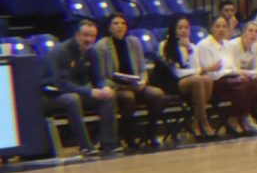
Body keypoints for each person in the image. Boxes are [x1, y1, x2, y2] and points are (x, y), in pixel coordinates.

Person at [41, 20, 120, 156]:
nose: (88, 39)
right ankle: (85, 146)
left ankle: (108, 143)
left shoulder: (92, 52)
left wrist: (104, 87)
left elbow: (98, 77)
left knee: (108, 97)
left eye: (92, 36)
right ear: (77, 35)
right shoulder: (61, 51)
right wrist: (89, 92)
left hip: (77, 91)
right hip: (51, 95)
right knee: (72, 99)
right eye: (85, 35)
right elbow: (62, 83)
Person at [96, 14, 167, 150]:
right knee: (128, 97)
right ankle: (129, 136)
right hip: (116, 86)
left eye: (123, 23)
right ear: (109, 27)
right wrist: (118, 85)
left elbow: (142, 69)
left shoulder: (134, 42)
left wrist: (143, 81)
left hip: (134, 84)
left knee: (158, 94)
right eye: (116, 23)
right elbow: (102, 76)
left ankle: (151, 133)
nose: (120, 26)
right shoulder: (102, 46)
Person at [196, 16, 257, 136]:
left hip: (232, 78)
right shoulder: (204, 45)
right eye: (218, 26)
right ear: (211, 28)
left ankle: (247, 117)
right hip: (215, 82)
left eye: (224, 26)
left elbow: (233, 67)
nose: (221, 29)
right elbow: (210, 73)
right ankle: (233, 118)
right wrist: (235, 74)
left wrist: (243, 73)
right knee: (243, 83)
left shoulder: (227, 44)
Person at [156, 16, 216, 140]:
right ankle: (203, 121)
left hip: (190, 81)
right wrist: (202, 70)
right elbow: (176, 72)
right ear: (173, 30)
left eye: (186, 28)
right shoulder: (164, 46)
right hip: (170, 82)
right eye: (180, 28)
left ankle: (195, 121)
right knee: (198, 79)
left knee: (207, 80)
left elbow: (196, 68)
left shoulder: (192, 46)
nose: (183, 31)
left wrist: (189, 49)